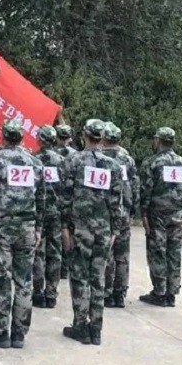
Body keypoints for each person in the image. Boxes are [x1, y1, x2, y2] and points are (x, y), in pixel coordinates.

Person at [0, 120, 44, 350]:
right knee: (24, 281)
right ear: (22, 137)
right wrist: (38, 228)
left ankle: (0, 332)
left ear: (3, 135)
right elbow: (41, 199)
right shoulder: (35, 163)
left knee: (1, 278)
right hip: (26, 227)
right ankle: (19, 333)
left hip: (1, 227)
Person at [61, 119, 123, 346]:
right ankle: (96, 328)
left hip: (80, 229)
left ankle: (80, 326)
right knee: (98, 279)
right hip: (103, 230)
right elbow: (116, 203)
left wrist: (64, 227)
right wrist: (115, 229)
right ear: (102, 138)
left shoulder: (73, 161)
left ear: (84, 136)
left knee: (80, 278)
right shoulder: (113, 166)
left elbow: (65, 198)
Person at [139, 127, 182, 308]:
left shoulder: (152, 163)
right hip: (176, 214)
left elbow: (146, 190)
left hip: (157, 214)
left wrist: (144, 213)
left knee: (158, 252)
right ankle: (172, 292)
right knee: (174, 253)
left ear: (158, 141)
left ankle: (160, 292)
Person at [102, 122, 139, 308]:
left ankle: (107, 293)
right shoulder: (128, 160)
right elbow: (135, 186)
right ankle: (120, 293)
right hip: (124, 211)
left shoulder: (100, 159)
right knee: (123, 255)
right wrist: (133, 210)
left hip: (106, 212)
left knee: (108, 253)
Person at [32, 125, 66, 310]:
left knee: (38, 252)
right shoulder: (63, 161)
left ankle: (37, 292)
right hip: (57, 213)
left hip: (39, 212)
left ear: (39, 139)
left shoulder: (33, 160)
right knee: (55, 253)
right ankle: (51, 294)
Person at [54, 125, 75, 279]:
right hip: (70, 199)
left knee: (54, 236)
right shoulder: (76, 156)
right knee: (69, 233)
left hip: (53, 199)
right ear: (70, 138)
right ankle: (66, 268)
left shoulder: (49, 155)